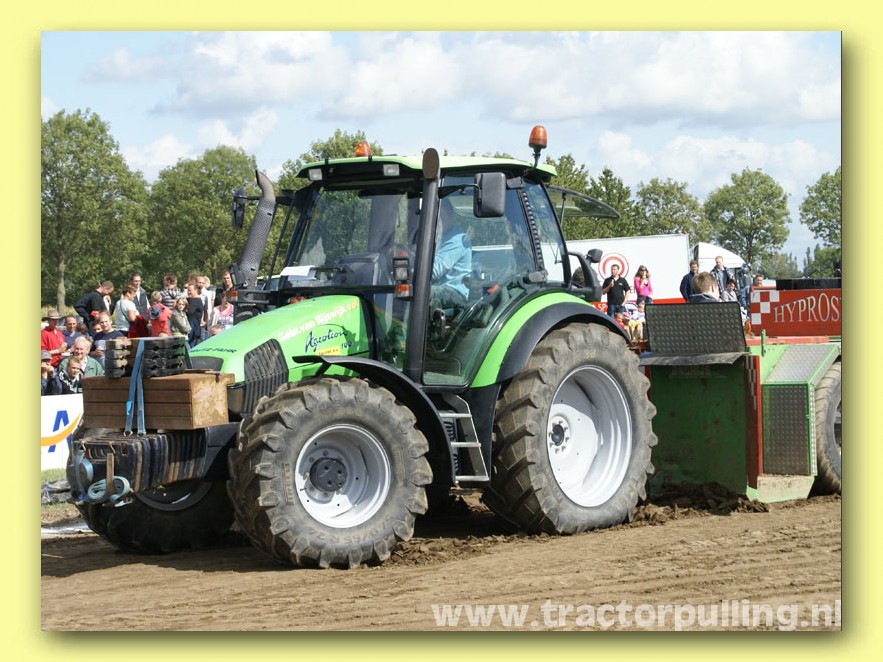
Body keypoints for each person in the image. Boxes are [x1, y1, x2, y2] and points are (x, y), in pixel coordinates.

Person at [430, 198, 472, 310]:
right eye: (434, 218)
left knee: (418, 293)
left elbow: (435, 272)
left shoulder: (458, 240)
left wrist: (411, 271)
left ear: (450, 216)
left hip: (455, 292)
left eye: (440, 217)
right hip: (440, 287)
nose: (437, 221)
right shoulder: (437, 237)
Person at [185, 281, 205, 347]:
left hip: (193, 331)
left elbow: (189, 312)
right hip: (190, 330)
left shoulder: (196, 301)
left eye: (190, 290)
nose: (188, 292)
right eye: (188, 290)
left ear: (196, 290)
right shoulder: (189, 300)